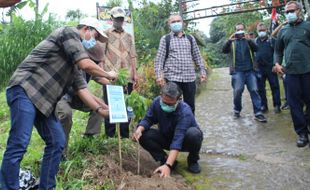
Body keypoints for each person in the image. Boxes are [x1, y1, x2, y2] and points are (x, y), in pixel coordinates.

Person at [0, 17, 117, 189]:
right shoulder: (69, 32)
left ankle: (47, 187)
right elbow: (86, 64)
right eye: (95, 37)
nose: (95, 42)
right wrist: (108, 74)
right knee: (19, 143)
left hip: (45, 103)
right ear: (86, 29)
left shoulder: (75, 64)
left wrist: (101, 109)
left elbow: (83, 91)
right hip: (26, 90)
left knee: (57, 142)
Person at [132, 82, 203, 177]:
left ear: (178, 100)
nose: (166, 106)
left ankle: (193, 160)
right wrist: (139, 129)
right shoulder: (157, 102)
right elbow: (148, 119)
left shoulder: (185, 112)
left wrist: (167, 166)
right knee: (144, 135)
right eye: (164, 103)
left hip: (185, 141)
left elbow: (178, 139)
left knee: (194, 134)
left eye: (170, 104)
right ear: (161, 96)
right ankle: (164, 159)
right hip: (167, 136)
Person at [55, 39, 110, 158]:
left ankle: (89, 138)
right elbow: (79, 90)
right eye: (94, 61)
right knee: (65, 114)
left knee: (98, 109)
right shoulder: (74, 65)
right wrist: (99, 105)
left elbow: (98, 77)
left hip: (77, 96)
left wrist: (113, 82)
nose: (96, 64)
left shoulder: (90, 67)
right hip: (62, 95)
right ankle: (61, 152)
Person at [274, 1, 310, 147]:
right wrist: (276, 63)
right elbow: (277, 51)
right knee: (294, 105)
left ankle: (306, 121)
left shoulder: (307, 26)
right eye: (287, 12)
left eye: (291, 11)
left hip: (308, 71)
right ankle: (302, 133)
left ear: (299, 11)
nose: (289, 14)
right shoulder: (283, 30)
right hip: (290, 73)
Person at [155, 14, 207, 114]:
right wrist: (159, 77)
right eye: (173, 22)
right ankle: (173, 128)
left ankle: (190, 127)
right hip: (172, 78)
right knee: (171, 106)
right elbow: (159, 60)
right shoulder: (166, 39)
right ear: (169, 24)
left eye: (178, 21)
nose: (176, 23)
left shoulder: (190, 39)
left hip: (189, 78)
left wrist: (202, 72)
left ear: (182, 23)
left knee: (190, 106)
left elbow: (197, 57)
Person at [101, 6, 138, 138]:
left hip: (127, 76)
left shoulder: (128, 36)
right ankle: (110, 136)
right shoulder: (105, 34)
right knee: (110, 104)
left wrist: (135, 74)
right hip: (111, 76)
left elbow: (133, 56)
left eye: (121, 18)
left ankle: (124, 135)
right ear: (112, 19)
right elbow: (101, 55)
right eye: (117, 18)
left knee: (126, 104)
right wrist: (102, 73)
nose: (119, 21)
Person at [222, 23, 267, 122]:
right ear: (235, 31)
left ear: (244, 30)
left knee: (254, 90)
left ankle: (258, 112)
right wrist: (229, 40)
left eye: (241, 29)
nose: (240, 32)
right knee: (237, 91)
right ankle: (237, 110)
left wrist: (249, 40)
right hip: (237, 71)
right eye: (238, 30)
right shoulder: (232, 42)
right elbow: (224, 50)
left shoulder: (248, 41)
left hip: (250, 70)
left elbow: (256, 48)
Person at [255, 23, 281, 113]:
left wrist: (275, 64)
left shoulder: (271, 40)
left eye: (263, 30)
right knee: (260, 88)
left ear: (266, 30)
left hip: (271, 67)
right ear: (257, 31)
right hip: (259, 68)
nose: (261, 32)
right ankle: (263, 105)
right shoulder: (255, 42)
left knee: (275, 87)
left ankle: (277, 105)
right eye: (259, 30)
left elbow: (277, 52)